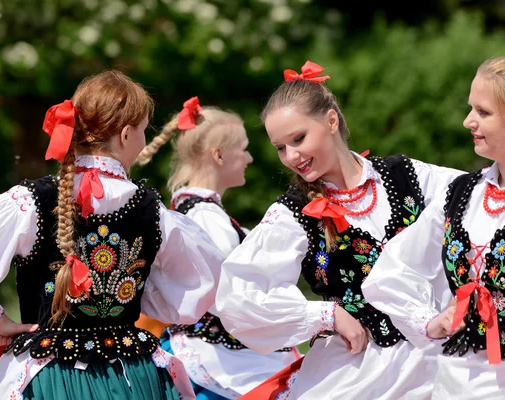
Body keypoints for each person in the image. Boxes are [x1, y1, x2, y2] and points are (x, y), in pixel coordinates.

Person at [0, 70, 225, 400]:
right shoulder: (154, 211)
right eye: (143, 130)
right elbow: (197, 288)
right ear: (124, 135)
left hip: (51, 376)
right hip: (131, 375)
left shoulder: (30, 202)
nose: (144, 141)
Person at [214, 61, 464, 399]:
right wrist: (327, 314)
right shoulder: (293, 214)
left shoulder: (408, 176)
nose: (291, 156)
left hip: (443, 358)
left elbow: (479, 204)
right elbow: (240, 295)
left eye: (298, 138)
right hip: (362, 374)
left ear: (331, 120)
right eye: (280, 147)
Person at [136, 97, 299, 399]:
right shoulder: (205, 217)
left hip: (216, 355)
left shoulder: (193, 210)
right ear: (219, 156)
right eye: (244, 148)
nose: (249, 158)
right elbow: (225, 295)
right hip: (224, 362)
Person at [362, 57, 505, 399]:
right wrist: (429, 320)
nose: (468, 120)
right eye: (471, 109)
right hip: (458, 381)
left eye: (483, 112)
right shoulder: (461, 194)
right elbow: (392, 271)